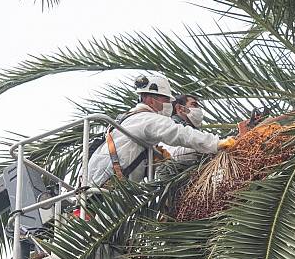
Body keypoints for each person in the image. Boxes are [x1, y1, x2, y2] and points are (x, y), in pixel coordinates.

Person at [87, 74, 235, 186]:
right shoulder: (146, 118)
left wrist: (153, 157)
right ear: (151, 100)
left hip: (101, 186)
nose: (169, 105)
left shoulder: (130, 119)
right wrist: (216, 143)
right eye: (166, 100)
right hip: (106, 188)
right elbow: (179, 133)